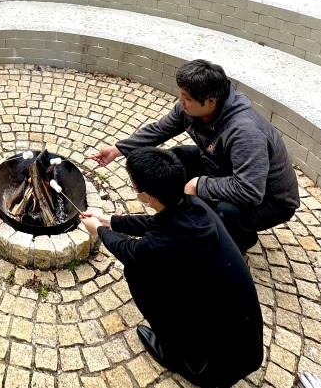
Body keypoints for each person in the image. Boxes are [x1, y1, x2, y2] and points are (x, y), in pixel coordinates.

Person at [81, 148, 264, 387]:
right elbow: (156, 223)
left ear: (148, 196)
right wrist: (109, 220)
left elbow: (131, 252)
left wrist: (100, 231)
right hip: (244, 340)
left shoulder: (165, 241)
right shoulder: (194, 205)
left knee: (137, 272)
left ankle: (175, 354)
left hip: (219, 364)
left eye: (135, 187)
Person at [89, 59, 298, 252]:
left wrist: (198, 185)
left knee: (225, 211)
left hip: (269, 201)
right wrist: (117, 150)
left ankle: (239, 241)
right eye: (181, 94)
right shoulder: (188, 109)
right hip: (221, 169)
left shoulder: (245, 132)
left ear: (210, 102)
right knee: (174, 160)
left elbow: (250, 191)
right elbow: (158, 130)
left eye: (187, 98)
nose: (181, 101)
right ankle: (176, 221)